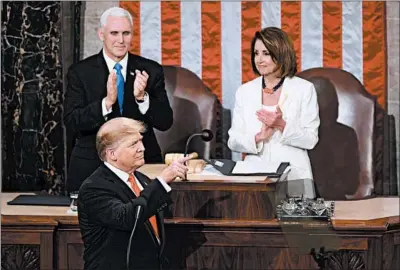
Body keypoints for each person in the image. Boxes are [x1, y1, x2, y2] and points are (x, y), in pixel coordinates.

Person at [64, 7, 173, 193]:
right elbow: (72, 121)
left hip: (141, 165)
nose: (121, 40)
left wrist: (142, 98)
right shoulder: (80, 72)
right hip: (91, 164)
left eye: (126, 33)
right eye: (114, 33)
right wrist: (106, 103)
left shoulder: (150, 70)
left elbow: (165, 122)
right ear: (101, 34)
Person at [78, 117, 190, 270]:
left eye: (141, 141)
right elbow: (127, 217)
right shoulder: (94, 188)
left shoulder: (142, 179)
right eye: (133, 144)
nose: (142, 148)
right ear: (112, 154)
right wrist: (162, 181)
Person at [227, 27, 320, 198]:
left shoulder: (304, 89)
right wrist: (258, 138)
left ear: (281, 54)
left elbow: (311, 140)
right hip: (254, 176)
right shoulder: (244, 91)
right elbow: (233, 141)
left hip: (293, 177)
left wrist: (281, 125)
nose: (259, 60)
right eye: (256, 53)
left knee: (292, 225)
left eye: (266, 53)